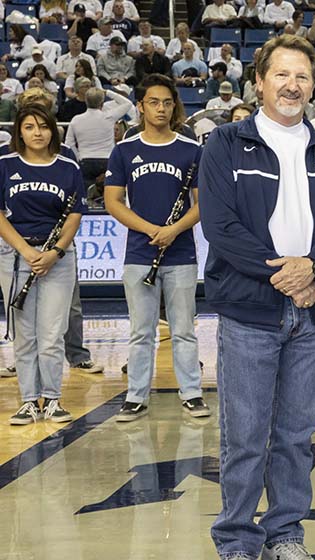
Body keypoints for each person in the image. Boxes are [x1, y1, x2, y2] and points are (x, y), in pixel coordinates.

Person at [201, 34, 315, 560]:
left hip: (313, 312)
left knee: (295, 433)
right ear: (261, 81)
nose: (292, 85)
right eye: (282, 75)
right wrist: (287, 273)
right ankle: (238, 538)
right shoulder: (224, 143)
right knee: (244, 435)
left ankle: (286, 533)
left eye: (303, 77)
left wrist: (312, 267)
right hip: (251, 311)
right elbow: (222, 228)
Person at [104, 74, 206, 422]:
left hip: (181, 255)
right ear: (141, 106)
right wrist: (152, 230)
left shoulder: (192, 150)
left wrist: (174, 229)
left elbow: (201, 203)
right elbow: (113, 201)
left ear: (174, 105)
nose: (161, 108)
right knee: (141, 331)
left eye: (167, 102)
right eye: (153, 102)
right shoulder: (123, 150)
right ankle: (136, 396)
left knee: (184, 330)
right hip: (139, 253)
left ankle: (191, 393)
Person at [0, 105, 87, 425]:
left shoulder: (68, 167)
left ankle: (51, 398)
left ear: (53, 130)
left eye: (43, 126)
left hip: (57, 259)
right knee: (24, 334)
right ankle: (27, 400)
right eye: (29, 127)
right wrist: (24, 250)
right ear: (19, 132)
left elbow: (75, 214)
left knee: (52, 332)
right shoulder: (5, 164)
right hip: (14, 255)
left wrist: (55, 252)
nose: (37, 132)